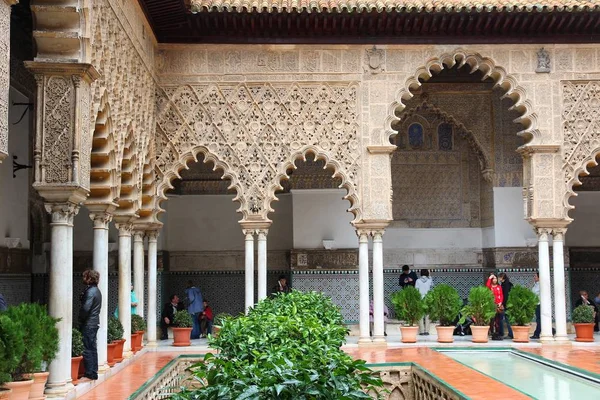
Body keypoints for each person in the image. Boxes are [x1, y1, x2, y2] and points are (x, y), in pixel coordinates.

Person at [78, 270, 102, 381]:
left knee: (87, 348)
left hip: (88, 323)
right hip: (93, 322)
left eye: (85, 277)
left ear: (89, 278)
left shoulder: (91, 291)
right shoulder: (96, 290)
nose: (83, 279)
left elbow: (86, 308)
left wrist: (81, 319)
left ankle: (89, 373)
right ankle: (93, 371)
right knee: (92, 347)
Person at [486, 273, 504, 340]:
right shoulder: (490, 287)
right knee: (492, 320)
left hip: (499, 305)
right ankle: (491, 332)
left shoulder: (499, 287)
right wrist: (490, 277)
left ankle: (498, 332)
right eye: (493, 279)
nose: (495, 280)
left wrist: (500, 302)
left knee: (498, 320)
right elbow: (487, 286)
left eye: (495, 278)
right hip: (492, 305)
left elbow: (501, 295)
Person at [415, 269, 433, 335]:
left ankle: (421, 331)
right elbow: (432, 286)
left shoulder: (418, 281)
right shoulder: (429, 280)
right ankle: (427, 331)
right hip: (427, 299)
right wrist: (430, 275)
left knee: (420, 316)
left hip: (420, 299)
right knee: (427, 315)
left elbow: (416, 290)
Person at [498, 272, 514, 339]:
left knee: (505, 319)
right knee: (504, 319)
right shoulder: (504, 284)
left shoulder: (506, 285)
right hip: (505, 304)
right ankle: (507, 333)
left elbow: (506, 295)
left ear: (502, 278)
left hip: (506, 304)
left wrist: (503, 304)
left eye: (499, 277)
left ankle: (509, 334)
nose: (498, 279)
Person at [531, 272, 541, 339]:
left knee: (539, 319)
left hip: (539, 304)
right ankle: (552, 330)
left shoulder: (541, 285)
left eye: (535, 276)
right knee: (539, 319)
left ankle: (537, 334)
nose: (534, 277)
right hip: (536, 304)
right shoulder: (535, 284)